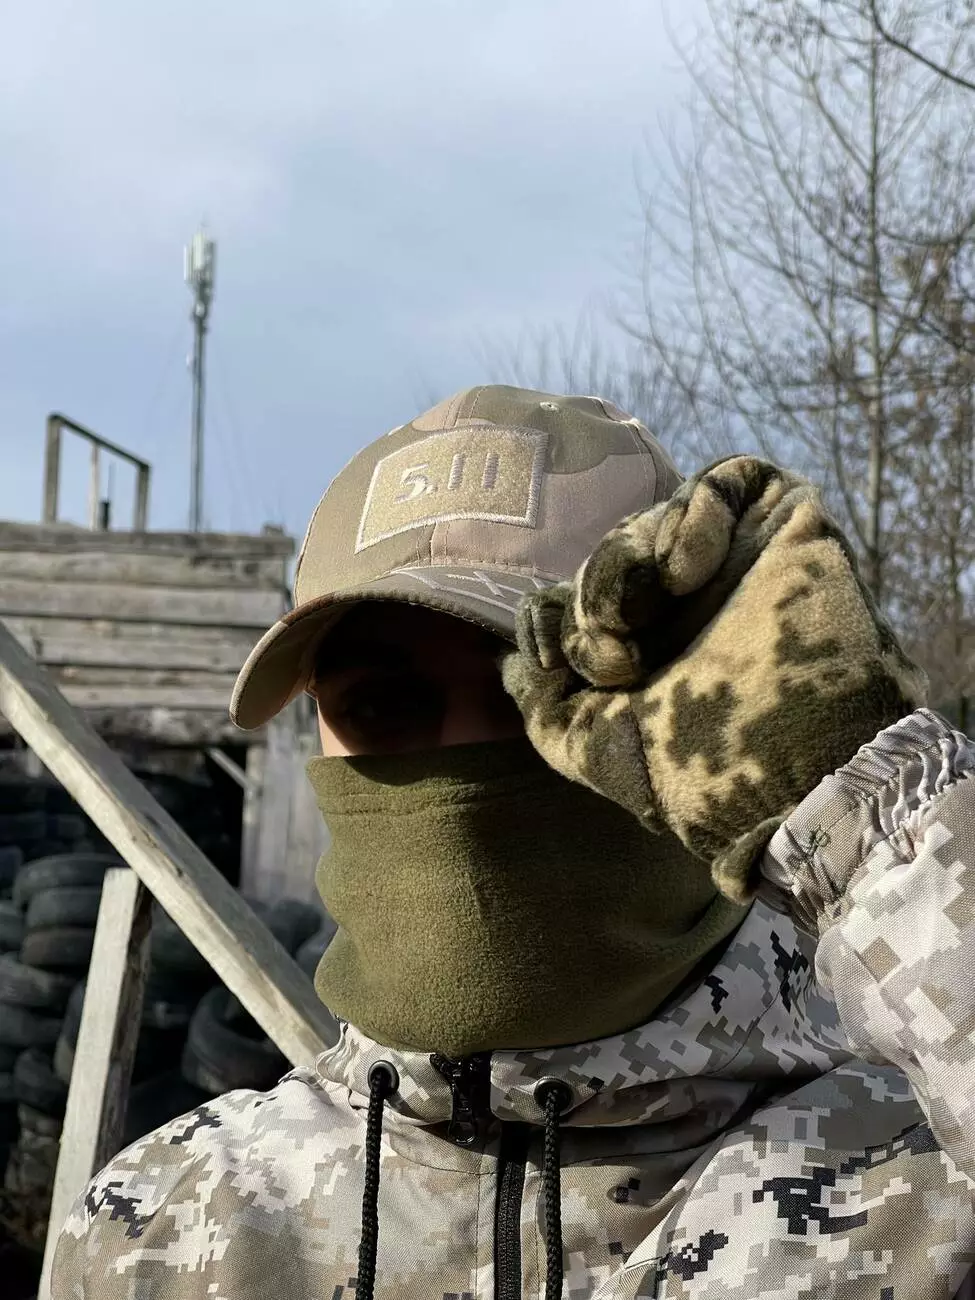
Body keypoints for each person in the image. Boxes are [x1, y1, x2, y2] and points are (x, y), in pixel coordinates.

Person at [50, 385, 975, 1300]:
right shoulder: (162, 1224)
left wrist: (877, 815)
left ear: (685, 713)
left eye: (533, 698)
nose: (462, 772)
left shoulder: (927, 1184)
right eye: (382, 705)